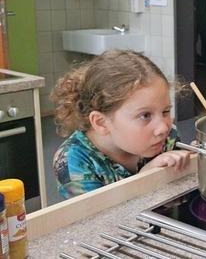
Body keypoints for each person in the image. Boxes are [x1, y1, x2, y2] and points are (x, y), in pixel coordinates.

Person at [50, 50, 193, 199]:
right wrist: (145, 177)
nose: (163, 127)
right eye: (145, 115)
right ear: (101, 123)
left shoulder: (167, 137)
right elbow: (101, 218)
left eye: (165, 111)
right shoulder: (73, 160)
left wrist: (194, 161)